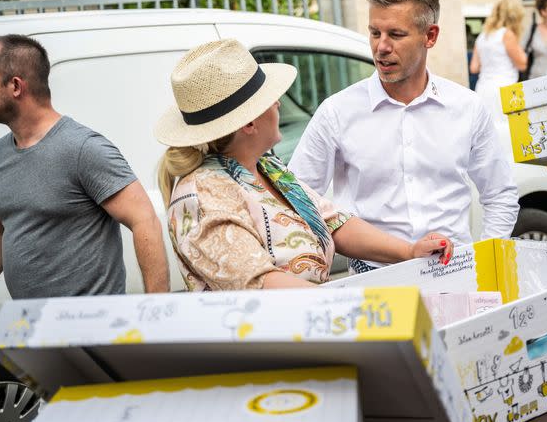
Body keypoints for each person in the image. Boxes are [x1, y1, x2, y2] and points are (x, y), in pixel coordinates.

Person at [154, 39, 453, 290]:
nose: (278, 104)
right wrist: (354, 306)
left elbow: (333, 222)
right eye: (269, 99)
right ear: (248, 123)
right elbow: (260, 284)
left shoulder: (268, 169)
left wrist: (409, 251)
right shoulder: (203, 194)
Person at [289, 0, 519, 273]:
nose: (381, 47)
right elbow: (296, 200)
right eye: (374, 33)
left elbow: (500, 194)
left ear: (430, 36)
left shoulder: (468, 107)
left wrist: (486, 264)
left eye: (395, 35)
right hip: (373, 277)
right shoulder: (337, 112)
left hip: (455, 272)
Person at [0, 35, 170, 336]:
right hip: (35, 330)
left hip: (95, 331)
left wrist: (155, 315)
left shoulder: (83, 149)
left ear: (15, 86)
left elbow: (144, 219)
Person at [469, 0, 528, 124]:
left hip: (483, 88)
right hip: (505, 87)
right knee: (509, 128)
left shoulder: (482, 36)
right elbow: (522, 64)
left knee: (490, 127)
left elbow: (474, 68)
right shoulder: (506, 34)